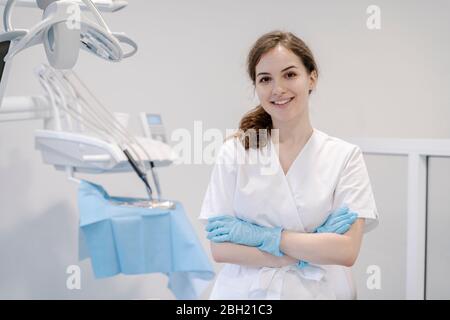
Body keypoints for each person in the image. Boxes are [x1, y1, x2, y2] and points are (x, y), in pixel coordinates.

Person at [199, 30, 378, 299]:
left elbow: (346, 251)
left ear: (312, 78)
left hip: (318, 292)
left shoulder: (344, 156)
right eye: (265, 79)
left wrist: (262, 237)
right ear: (256, 87)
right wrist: (309, 248)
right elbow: (221, 249)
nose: (278, 89)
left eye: (290, 74)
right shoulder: (236, 151)